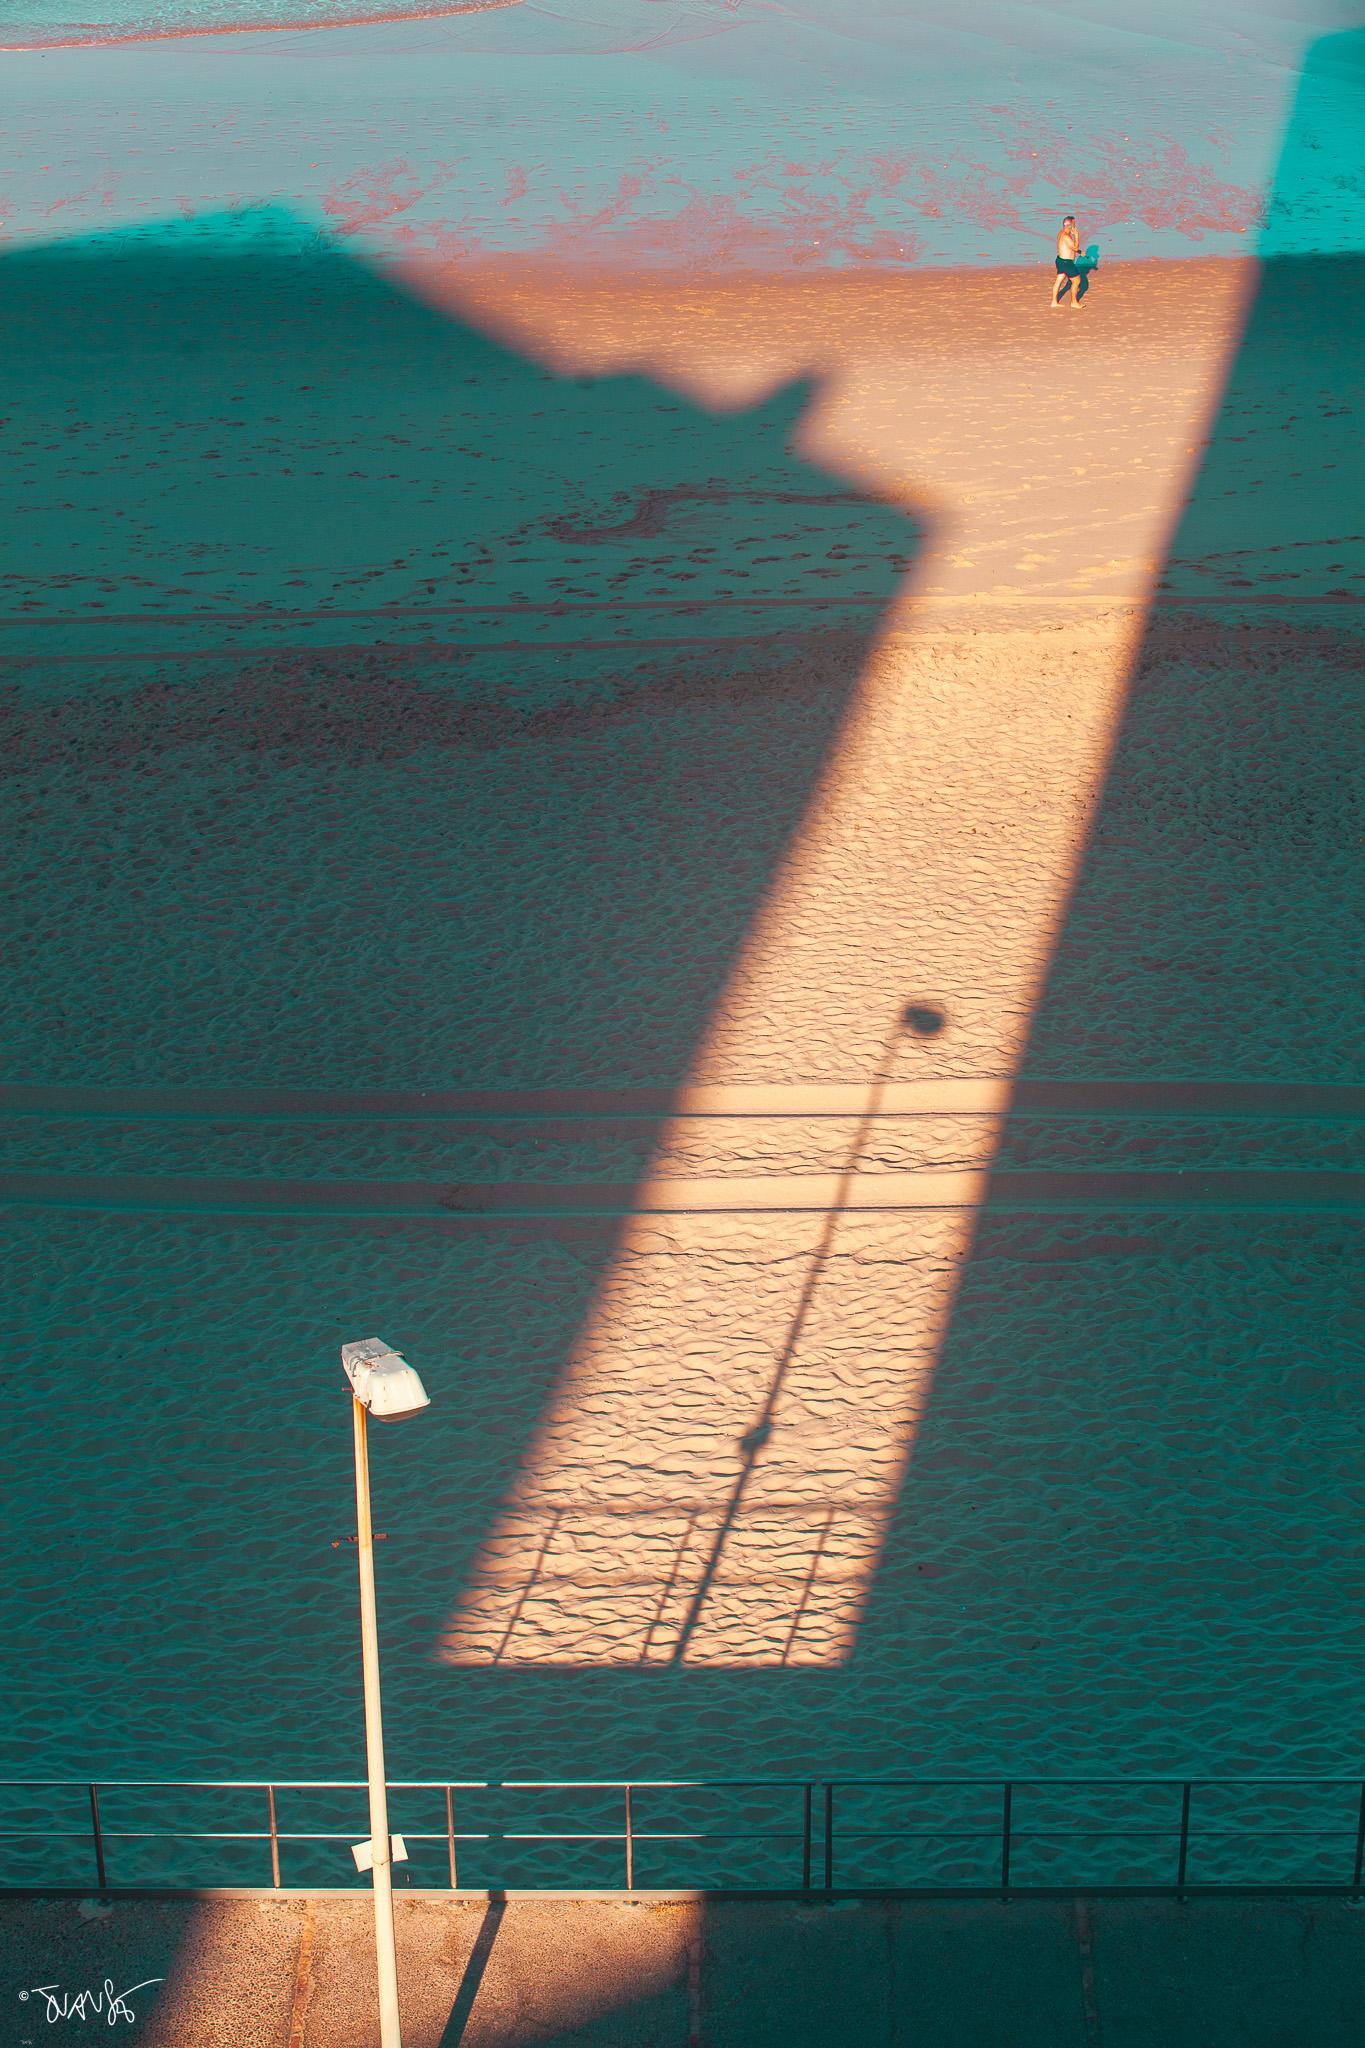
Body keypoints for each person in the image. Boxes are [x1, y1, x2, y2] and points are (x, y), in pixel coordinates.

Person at [1050, 215, 1083, 308]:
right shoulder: (1066, 236)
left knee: (1059, 280)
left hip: (1060, 260)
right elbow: (1074, 247)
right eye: (1074, 224)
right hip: (1066, 262)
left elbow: (1067, 247)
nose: (1075, 225)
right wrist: (1076, 236)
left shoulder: (1061, 233)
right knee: (1076, 281)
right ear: (1070, 225)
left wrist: (1079, 252)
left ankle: (1054, 302)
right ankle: (1074, 302)